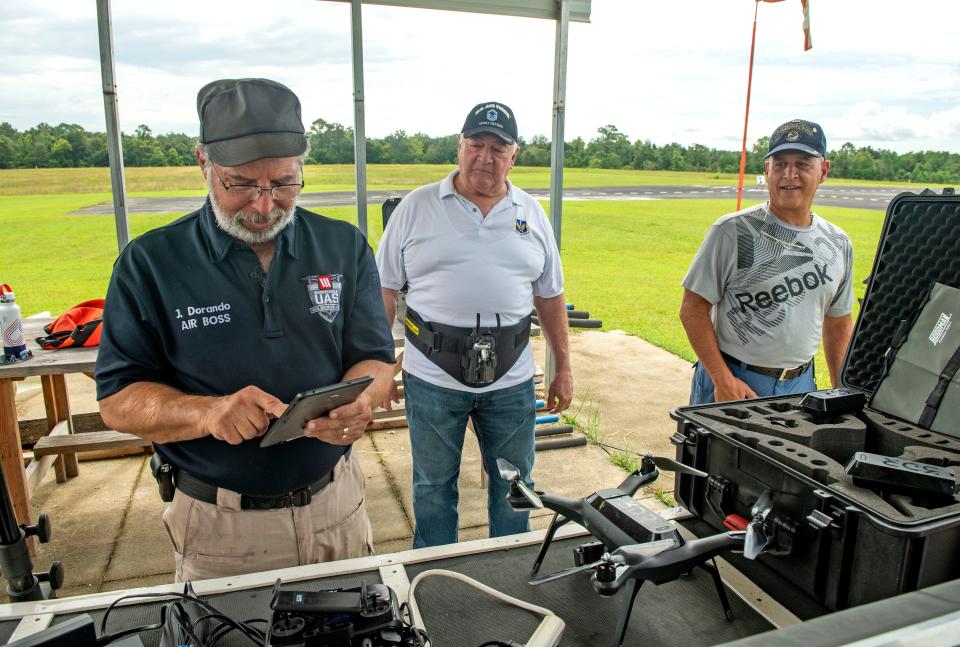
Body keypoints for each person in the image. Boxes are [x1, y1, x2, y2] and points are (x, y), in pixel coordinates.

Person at [95, 78, 396, 581]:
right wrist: (210, 413)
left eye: (283, 184)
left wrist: (361, 403)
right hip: (220, 528)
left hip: (338, 507)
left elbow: (376, 359)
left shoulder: (343, 245)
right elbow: (117, 401)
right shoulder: (150, 263)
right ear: (203, 164)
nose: (263, 206)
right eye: (240, 185)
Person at [376, 101, 573, 548]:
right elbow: (384, 290)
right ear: (460, 147)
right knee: (432, 486)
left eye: (497, 148)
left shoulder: (532, 212)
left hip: (511, 380)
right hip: (431, 376)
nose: (486, 156)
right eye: (476, 144)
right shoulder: (417, 207)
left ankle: (509, 567)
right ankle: (434, 572)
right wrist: (380, 362)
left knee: (515, 486)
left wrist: (563, 365)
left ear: (514, 155)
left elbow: (550, 294)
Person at [680, 118, 854, 404]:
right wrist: (722, 379)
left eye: (802, 164)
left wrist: (840, 392)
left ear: (823, 170)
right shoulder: (731, 231)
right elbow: (692, 310)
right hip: (736, 379)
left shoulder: (838, 243)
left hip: (801, 384)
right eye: (780, 163)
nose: (789, 174)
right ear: (767, 170)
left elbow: (838, 323)